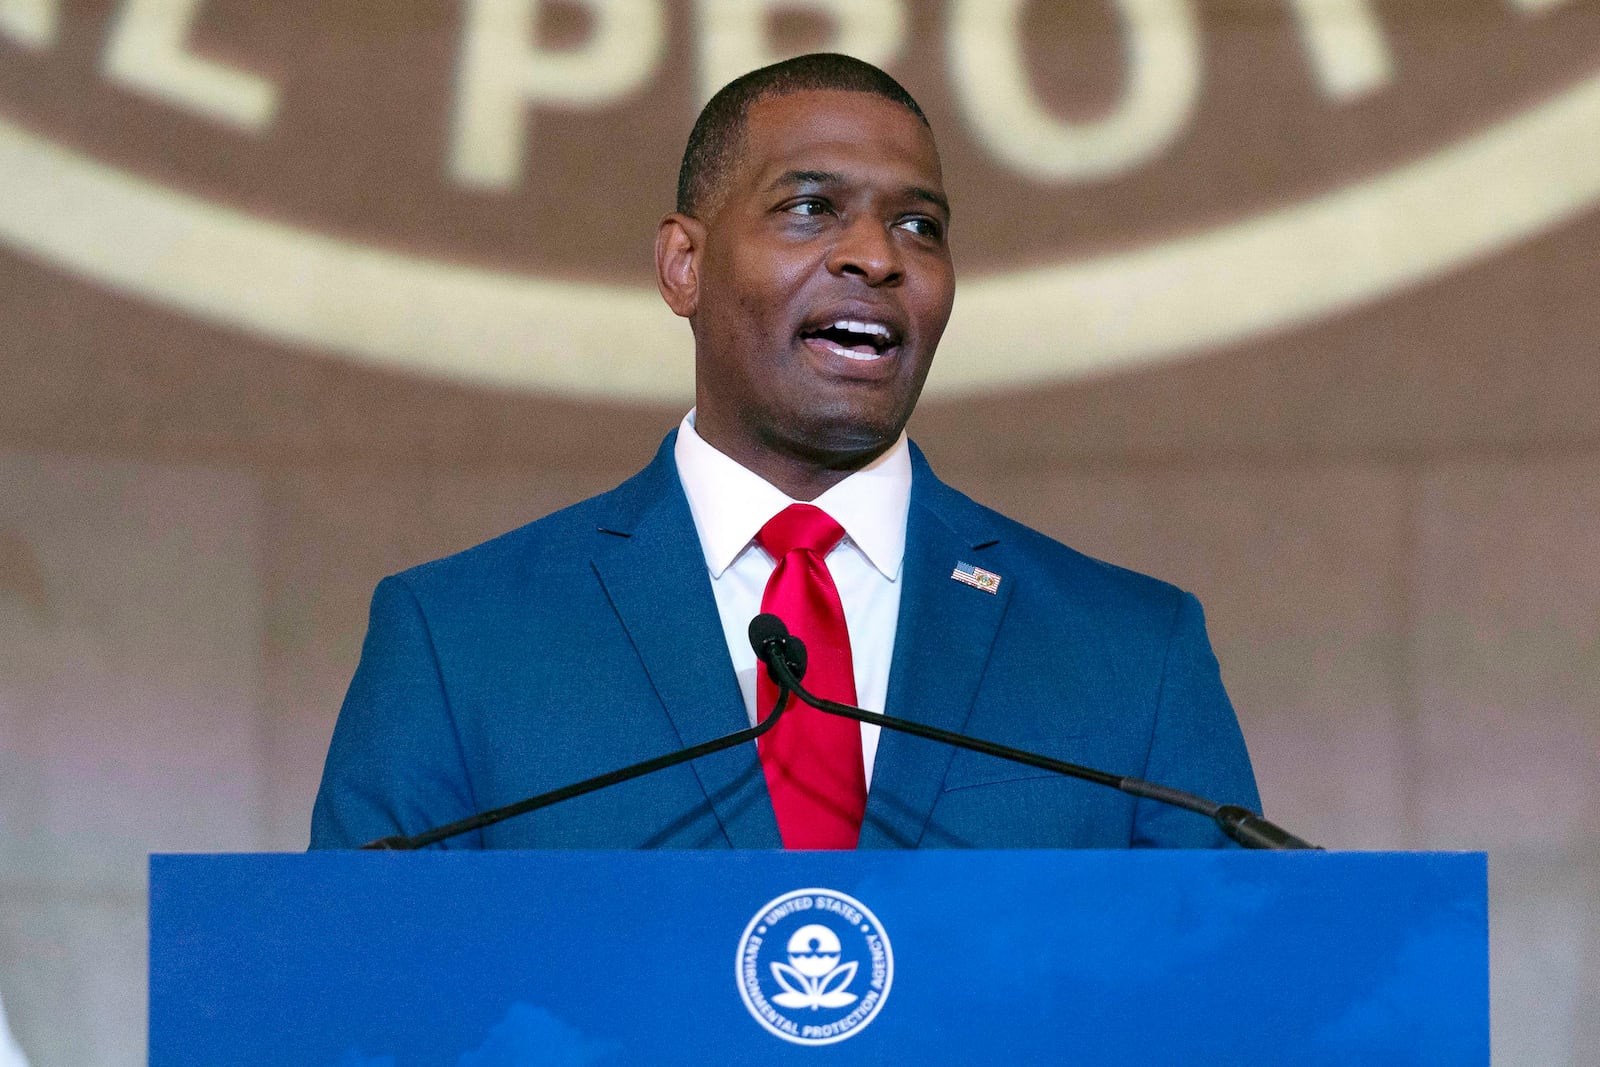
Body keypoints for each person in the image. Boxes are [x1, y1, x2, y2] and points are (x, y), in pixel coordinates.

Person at [310, 54, 1258, 851]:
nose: (876, 256)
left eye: (918, 226)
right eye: (810, 208)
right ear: (684, 264)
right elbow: (350, 1003)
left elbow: (1232, 1000)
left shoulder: (1134, 654)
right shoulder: (458, 639)